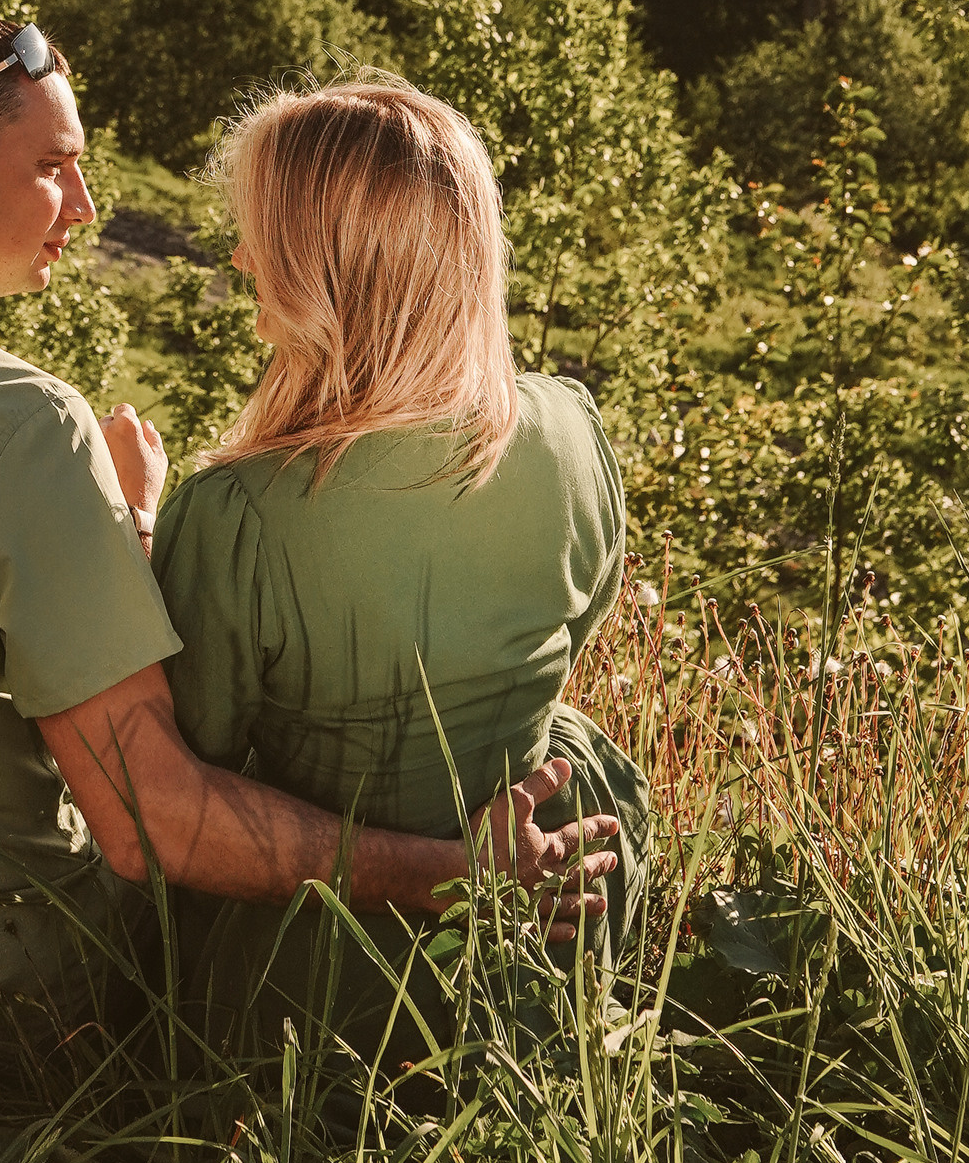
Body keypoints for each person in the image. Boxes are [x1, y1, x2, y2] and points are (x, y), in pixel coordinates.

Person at [0, 6, 614, 1071]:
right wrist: (444, 868)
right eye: (55, 166)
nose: (85, 209)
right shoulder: (22, 424)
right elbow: (155, 820)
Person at [150, 72, 649, 1038]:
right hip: (554, 889)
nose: (242, 254)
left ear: (322, 266)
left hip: (333, 955)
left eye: (264, 231)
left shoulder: (235, 514)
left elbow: (187, 757)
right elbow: (581, 619)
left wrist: (138, 539)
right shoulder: (567, 430)